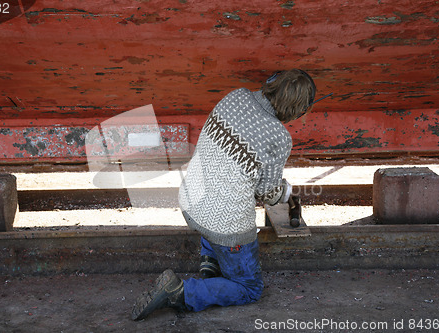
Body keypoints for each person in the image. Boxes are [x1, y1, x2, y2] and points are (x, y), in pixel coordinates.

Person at [132, 69, 317, 320]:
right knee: (250, 289)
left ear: (272, 82)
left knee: (227, 185)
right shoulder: (279, 137)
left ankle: (210, 263)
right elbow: (267, 193)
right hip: (224, 227)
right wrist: (286, 193)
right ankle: (180, 292)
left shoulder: (236, 96)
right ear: (298, 110)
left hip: (191, 201)